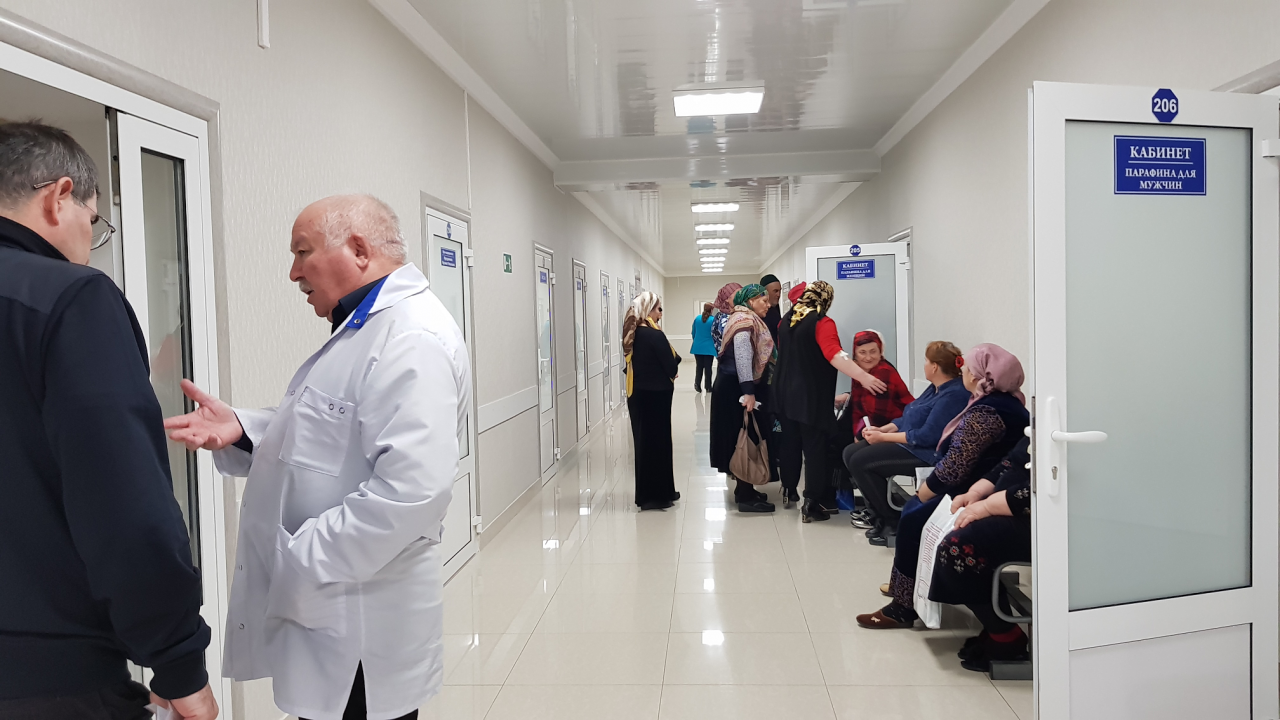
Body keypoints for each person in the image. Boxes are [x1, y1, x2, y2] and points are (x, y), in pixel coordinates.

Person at [164, 195, 470, 720]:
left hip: (361, 629)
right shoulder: (367, 327)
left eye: (302, 252)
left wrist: (301, 556)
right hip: (335, 612)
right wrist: (244, 429)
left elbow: (413, 492)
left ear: (359, 250)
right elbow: (335, 435)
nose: (293, 272)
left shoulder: (411, 337)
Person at [0, 122, 216, 720]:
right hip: (50, 681)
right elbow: (124, 502)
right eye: (93, 223)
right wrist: (179, 661)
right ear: (58, 197)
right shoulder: (70, 298)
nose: (88, 243)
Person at [855, 343, 1029, 630]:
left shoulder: (988, 411)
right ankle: (906, 588)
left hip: (979, 487)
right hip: (982, 484)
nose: (963, 372)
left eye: (968, 368)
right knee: (912, 509)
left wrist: (924, 492)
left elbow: (956, 465)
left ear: (980, 376)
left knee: (914, 515)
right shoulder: (1001, 402)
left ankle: (903, 607)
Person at [773, 281, 888, 522]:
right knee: (815, 447)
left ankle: (789, 489)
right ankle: (812, 503)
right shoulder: (822, 322)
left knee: (790, 442)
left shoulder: (786, 321)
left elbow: (791, 356)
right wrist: (864, 377)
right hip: (810, 396)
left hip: (784, 392)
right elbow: (834, 354)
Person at [845, 340, 970, 545]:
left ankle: (892, 522)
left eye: (926, 361)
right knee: (850, 452)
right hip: (912, 444)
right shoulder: (935, 388)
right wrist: (884, 429)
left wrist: (883, 438)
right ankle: (877, 512)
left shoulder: (954, 394)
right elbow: (909, 415)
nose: (924, 365)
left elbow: (926, 436)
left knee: (861, 461)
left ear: (935, 367)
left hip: (927, 453)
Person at [931, 438, 1032, 672]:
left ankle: (1006, 638)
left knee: (958, 548)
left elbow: (1042, 487)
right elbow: (1012, 461)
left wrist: (987, 507)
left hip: (1045, 518)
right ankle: (997, 627)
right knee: (954, 531)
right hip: (1010, 505)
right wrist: (976, 492)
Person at [708, 284, 777, 513]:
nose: (767, 304)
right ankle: (746, 496)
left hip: (734, 385)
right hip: (736, 389)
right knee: (745, 438)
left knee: (745, 435)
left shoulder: (742, 317)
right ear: (750, 301)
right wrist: (748, 391)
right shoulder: (744, 321)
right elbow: (743, 356)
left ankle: (744, 488)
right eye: (763, 300)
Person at [623, 291, 682, 510]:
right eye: (658, 309)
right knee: (659, 445)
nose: (660, 314)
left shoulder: (633, 333)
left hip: (638, 395)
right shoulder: (654, 335)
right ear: (648, 309)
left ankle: (654, 493)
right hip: (657, 397)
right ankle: (658, 495)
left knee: (644, 444)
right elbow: (671, 366)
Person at [835, 330, 914, 436]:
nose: (868, 358)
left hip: (897, 428)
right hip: (874, 426)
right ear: (855, 355)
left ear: (880, 352)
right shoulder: (858, 370)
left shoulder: (883, 372)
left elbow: (879, 417)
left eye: (873, 352)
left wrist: (859, 436)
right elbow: (858, 409)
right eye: (862, 352)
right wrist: (848, 396)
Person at [709, 281, 742, 356]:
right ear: (727, 299)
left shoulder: (733, 314)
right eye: (738, 294)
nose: (743, 297)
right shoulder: (723, 318)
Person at [690, 301, 716, 392]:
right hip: (709, 348)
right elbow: (715, 334)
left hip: (697, 347)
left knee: (699, 367)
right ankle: (708, 387)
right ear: (712, 310)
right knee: (708, 368)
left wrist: (696, 340)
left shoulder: (697, 319)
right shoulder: (713, 320)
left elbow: (693, 332)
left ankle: (697, 384)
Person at [760, 273, 783, 344]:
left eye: (780, 291)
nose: (779, 295)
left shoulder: (775, 309)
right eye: (775, 291)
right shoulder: (761, 312)